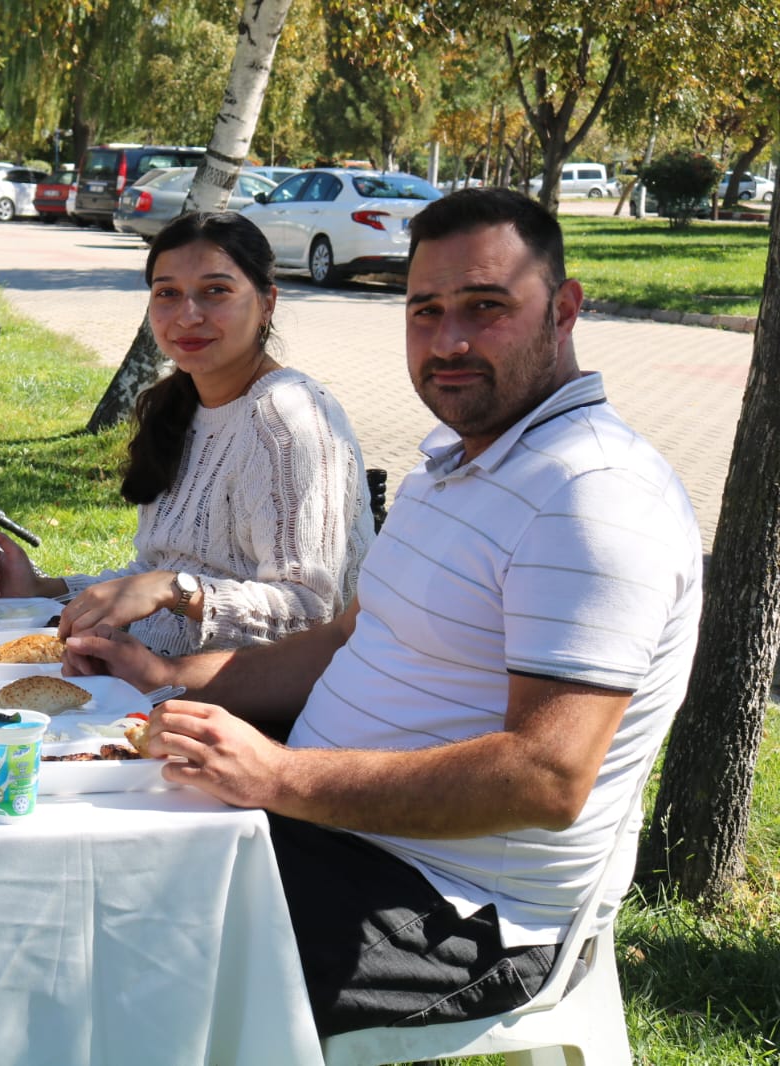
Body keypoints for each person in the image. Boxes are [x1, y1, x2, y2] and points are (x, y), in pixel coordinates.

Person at [63, 188, 703, 1036]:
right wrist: (170, 682)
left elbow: (545, 776)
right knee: (57, 881)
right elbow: (343, 636)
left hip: (457, 912)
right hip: (330, 831)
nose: (450, 341)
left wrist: (280, 777)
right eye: (425, 310)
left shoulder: (591, 494)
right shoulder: (456, 463)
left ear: (566, 309)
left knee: (90, 970)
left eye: (486, 307)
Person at [0, 212, 374, 657]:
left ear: (267, 303)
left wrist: (176, 591)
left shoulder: (289, 418)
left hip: (236, 703)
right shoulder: (178, 405)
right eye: (168, 294)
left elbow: (312, 612)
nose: (188, 315)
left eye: (215, 291)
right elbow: (154, 572)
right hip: (140, 672)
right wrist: (46, 588)